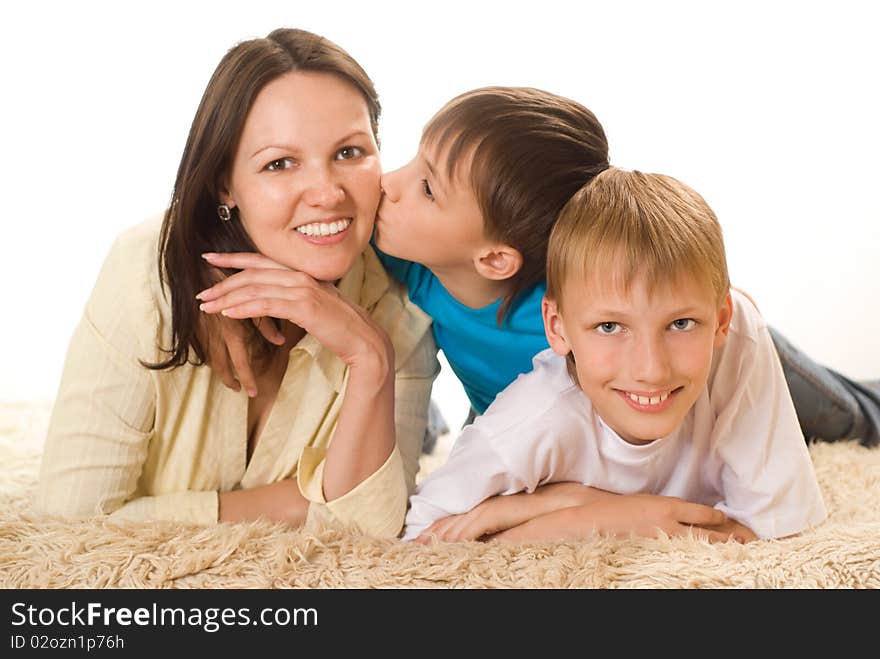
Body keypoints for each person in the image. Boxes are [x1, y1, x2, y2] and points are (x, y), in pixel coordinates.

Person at [34, 28, 439, 539]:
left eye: (350, 152)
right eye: (280, 163)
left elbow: (373, 531)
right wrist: (298, 503)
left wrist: (370, 356)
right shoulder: (145, 273)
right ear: (225, 183)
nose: (327, 192)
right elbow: (66, 520)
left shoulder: (401, 308)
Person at [373, 87, 880, 449]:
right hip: (508, 406)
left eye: (427, 188)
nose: (389, 183)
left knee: (850, 418)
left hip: (716, 362)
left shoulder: (581, 313)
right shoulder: (409, 257)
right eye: (416, 163)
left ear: (495, 259)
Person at [403, 168, 828, 543]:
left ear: (719, 320)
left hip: (765, 370)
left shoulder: (738, 333)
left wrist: (575, 505)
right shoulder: (531, 421)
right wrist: (589, 512)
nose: (651, 369)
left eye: (680, 324)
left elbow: (777, 530)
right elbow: (422, 535)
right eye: (610, 327)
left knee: (855, 416)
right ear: (557, 327)